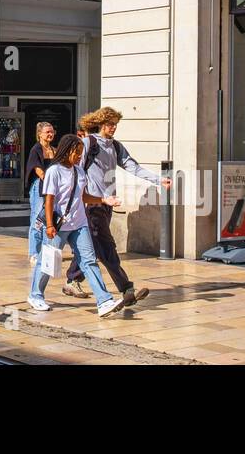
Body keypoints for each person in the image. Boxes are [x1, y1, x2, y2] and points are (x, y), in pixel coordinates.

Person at [64, 108, 170, 305]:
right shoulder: (89, 143)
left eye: (115, 124)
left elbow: (133, 167)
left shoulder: (116, 147)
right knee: (106, 246)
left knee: (93, 245)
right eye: (110, 124)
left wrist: (158, 180)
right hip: (91, 205)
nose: (113, 128)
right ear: (101, 124)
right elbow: (74, 168)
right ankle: (126, 288)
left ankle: (72, 279)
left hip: (107, 205)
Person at [27, 133, 123, 317]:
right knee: (47, 260)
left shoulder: (79, 171)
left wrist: (103, 200)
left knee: (89, 261)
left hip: (79, 224)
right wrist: (49, 225)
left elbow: (82, 196)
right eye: (77, 152)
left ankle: (104, 301)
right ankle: (35, 295)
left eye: (81, 152)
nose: (80, 156)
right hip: (59, 225)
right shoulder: (54, 171)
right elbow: (49, 199)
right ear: (67, 151)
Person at [25, 122, 57, 267]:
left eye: (52, 132)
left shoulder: (54, 150)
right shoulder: (36, 150)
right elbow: (38, 170)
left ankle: (46, 251)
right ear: (40, 134)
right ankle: (34, 253)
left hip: (50, 188)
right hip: (39, 187)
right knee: (37, 219)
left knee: (48, 220)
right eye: (47, 132)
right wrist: (48, 180)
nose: (50, 134)